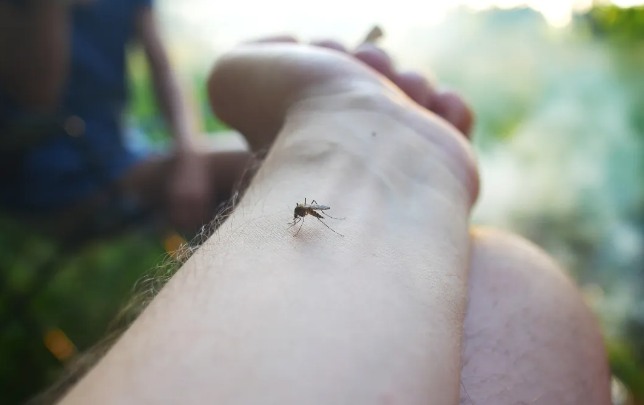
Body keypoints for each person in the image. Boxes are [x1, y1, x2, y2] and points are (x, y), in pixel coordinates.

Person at [30, 37, 612, 405]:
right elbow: (36, 92)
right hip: (51, 162)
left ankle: (354, 146)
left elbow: (161, 71)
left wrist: (186, 155)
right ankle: (358, 140)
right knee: (512, 276)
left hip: (127, 153)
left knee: (511, 274)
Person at [0, 0, 245, 236]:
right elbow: (37, 99)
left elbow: (165, 74)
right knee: (256, 163)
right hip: (57, 174)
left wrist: (190, 159)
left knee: (256, 177)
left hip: (120, 154)